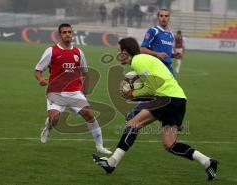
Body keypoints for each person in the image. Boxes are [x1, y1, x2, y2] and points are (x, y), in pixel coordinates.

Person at [93, 37, 219, 180]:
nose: (118, 54)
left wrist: (131, 93)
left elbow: (152, 87)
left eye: (119, 50)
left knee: (133, 124)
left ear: (125, 51)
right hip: (179, 99)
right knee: (169, 144)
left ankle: (112, 162)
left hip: (167, 98)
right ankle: (208, 162)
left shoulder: (138, 61)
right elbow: (153, 87)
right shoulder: (144, 59)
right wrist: (135, 95)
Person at [34, 23, 111, 154]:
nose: (67, 34)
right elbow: (38, 70)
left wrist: (85, 92)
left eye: (69, 32)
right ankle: (48, 126)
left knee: (89, 115)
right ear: (60, 35)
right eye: (64, 32)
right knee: (55, 119)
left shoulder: (78, 52)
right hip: (56, 92)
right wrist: (40, 79)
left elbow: (85, 73)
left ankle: (100, 146)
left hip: (74, 92)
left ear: (72, 34)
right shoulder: (51, 51)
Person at [126, 8, 180, 121]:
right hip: (156, 68)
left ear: (169, 18)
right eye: (161, 16)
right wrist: (157, 54)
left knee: (174, 93)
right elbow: (142, 49)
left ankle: (172, 119)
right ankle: (135, 112)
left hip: (168, 68)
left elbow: (166, 53)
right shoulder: (153, 31)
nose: (164, 18)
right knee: (159, 94)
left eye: (166, 16)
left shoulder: (170, 34)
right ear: (158, 17)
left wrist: (174, 55)